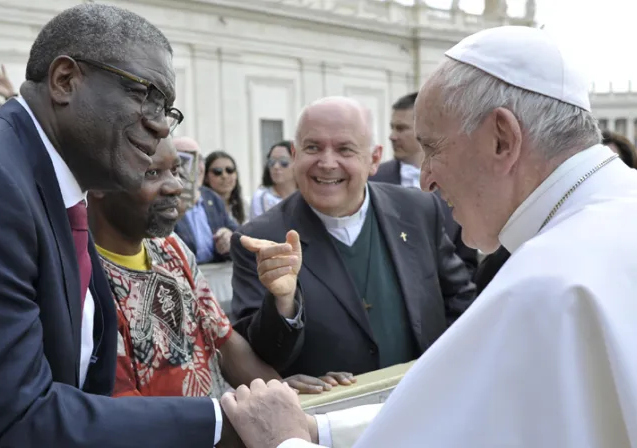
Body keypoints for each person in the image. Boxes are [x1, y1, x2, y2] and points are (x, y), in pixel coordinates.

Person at [220, 26, 637, 448]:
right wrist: (322, 430)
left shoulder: (545, 285)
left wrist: (286, 442)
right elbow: (468, 406)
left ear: (502, 139)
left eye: (434, 149)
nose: (425, 180)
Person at [0, 4, 240, 447]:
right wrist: (220, 423)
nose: (157, 124)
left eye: (166, 108)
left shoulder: (60, 192)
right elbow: (10, 417)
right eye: (143, 94)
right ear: (65, 81)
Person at [230, 96, 476, 379]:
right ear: (295, 155)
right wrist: (283, 304)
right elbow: (254, 358)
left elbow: (460, 300)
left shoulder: (417, 210)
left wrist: (452, 369)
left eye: (345, 149)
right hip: (326, 418)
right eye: (313, 147)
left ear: (373, 159)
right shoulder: (259, 240)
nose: (326, 163)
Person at [89, 137, 355, 397]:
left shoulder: (171, 247)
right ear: (98, 180)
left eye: (175, 171)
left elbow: (223, 340)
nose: (175, 186)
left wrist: (280, 392)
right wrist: (232, 422)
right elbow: (123, 409)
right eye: (152, 172)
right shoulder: (83, 277)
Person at [371, 93, 478, 277]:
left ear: (424, 131)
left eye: (401, 128)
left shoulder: (459, 184)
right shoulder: (372, 179)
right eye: (392, 128)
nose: (392, 136)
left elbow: (467, 261)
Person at [173, 137, 238, 264]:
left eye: (199, 159)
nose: (195, 166)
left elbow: (238, 233)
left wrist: (229, 237)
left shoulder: (212, 197)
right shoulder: (161, 199)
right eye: (185, 159)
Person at [250, 140, 297, 218]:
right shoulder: (261, 197)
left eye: (283, 162)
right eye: (271, 162)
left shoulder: (307, 195)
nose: (276, 166)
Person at [204, 150, 247, 225]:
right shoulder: (200, 208)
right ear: (206, 177)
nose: (224, 176)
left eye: (229, 170)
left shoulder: (245, 206)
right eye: (217, 171)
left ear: (236, 174)